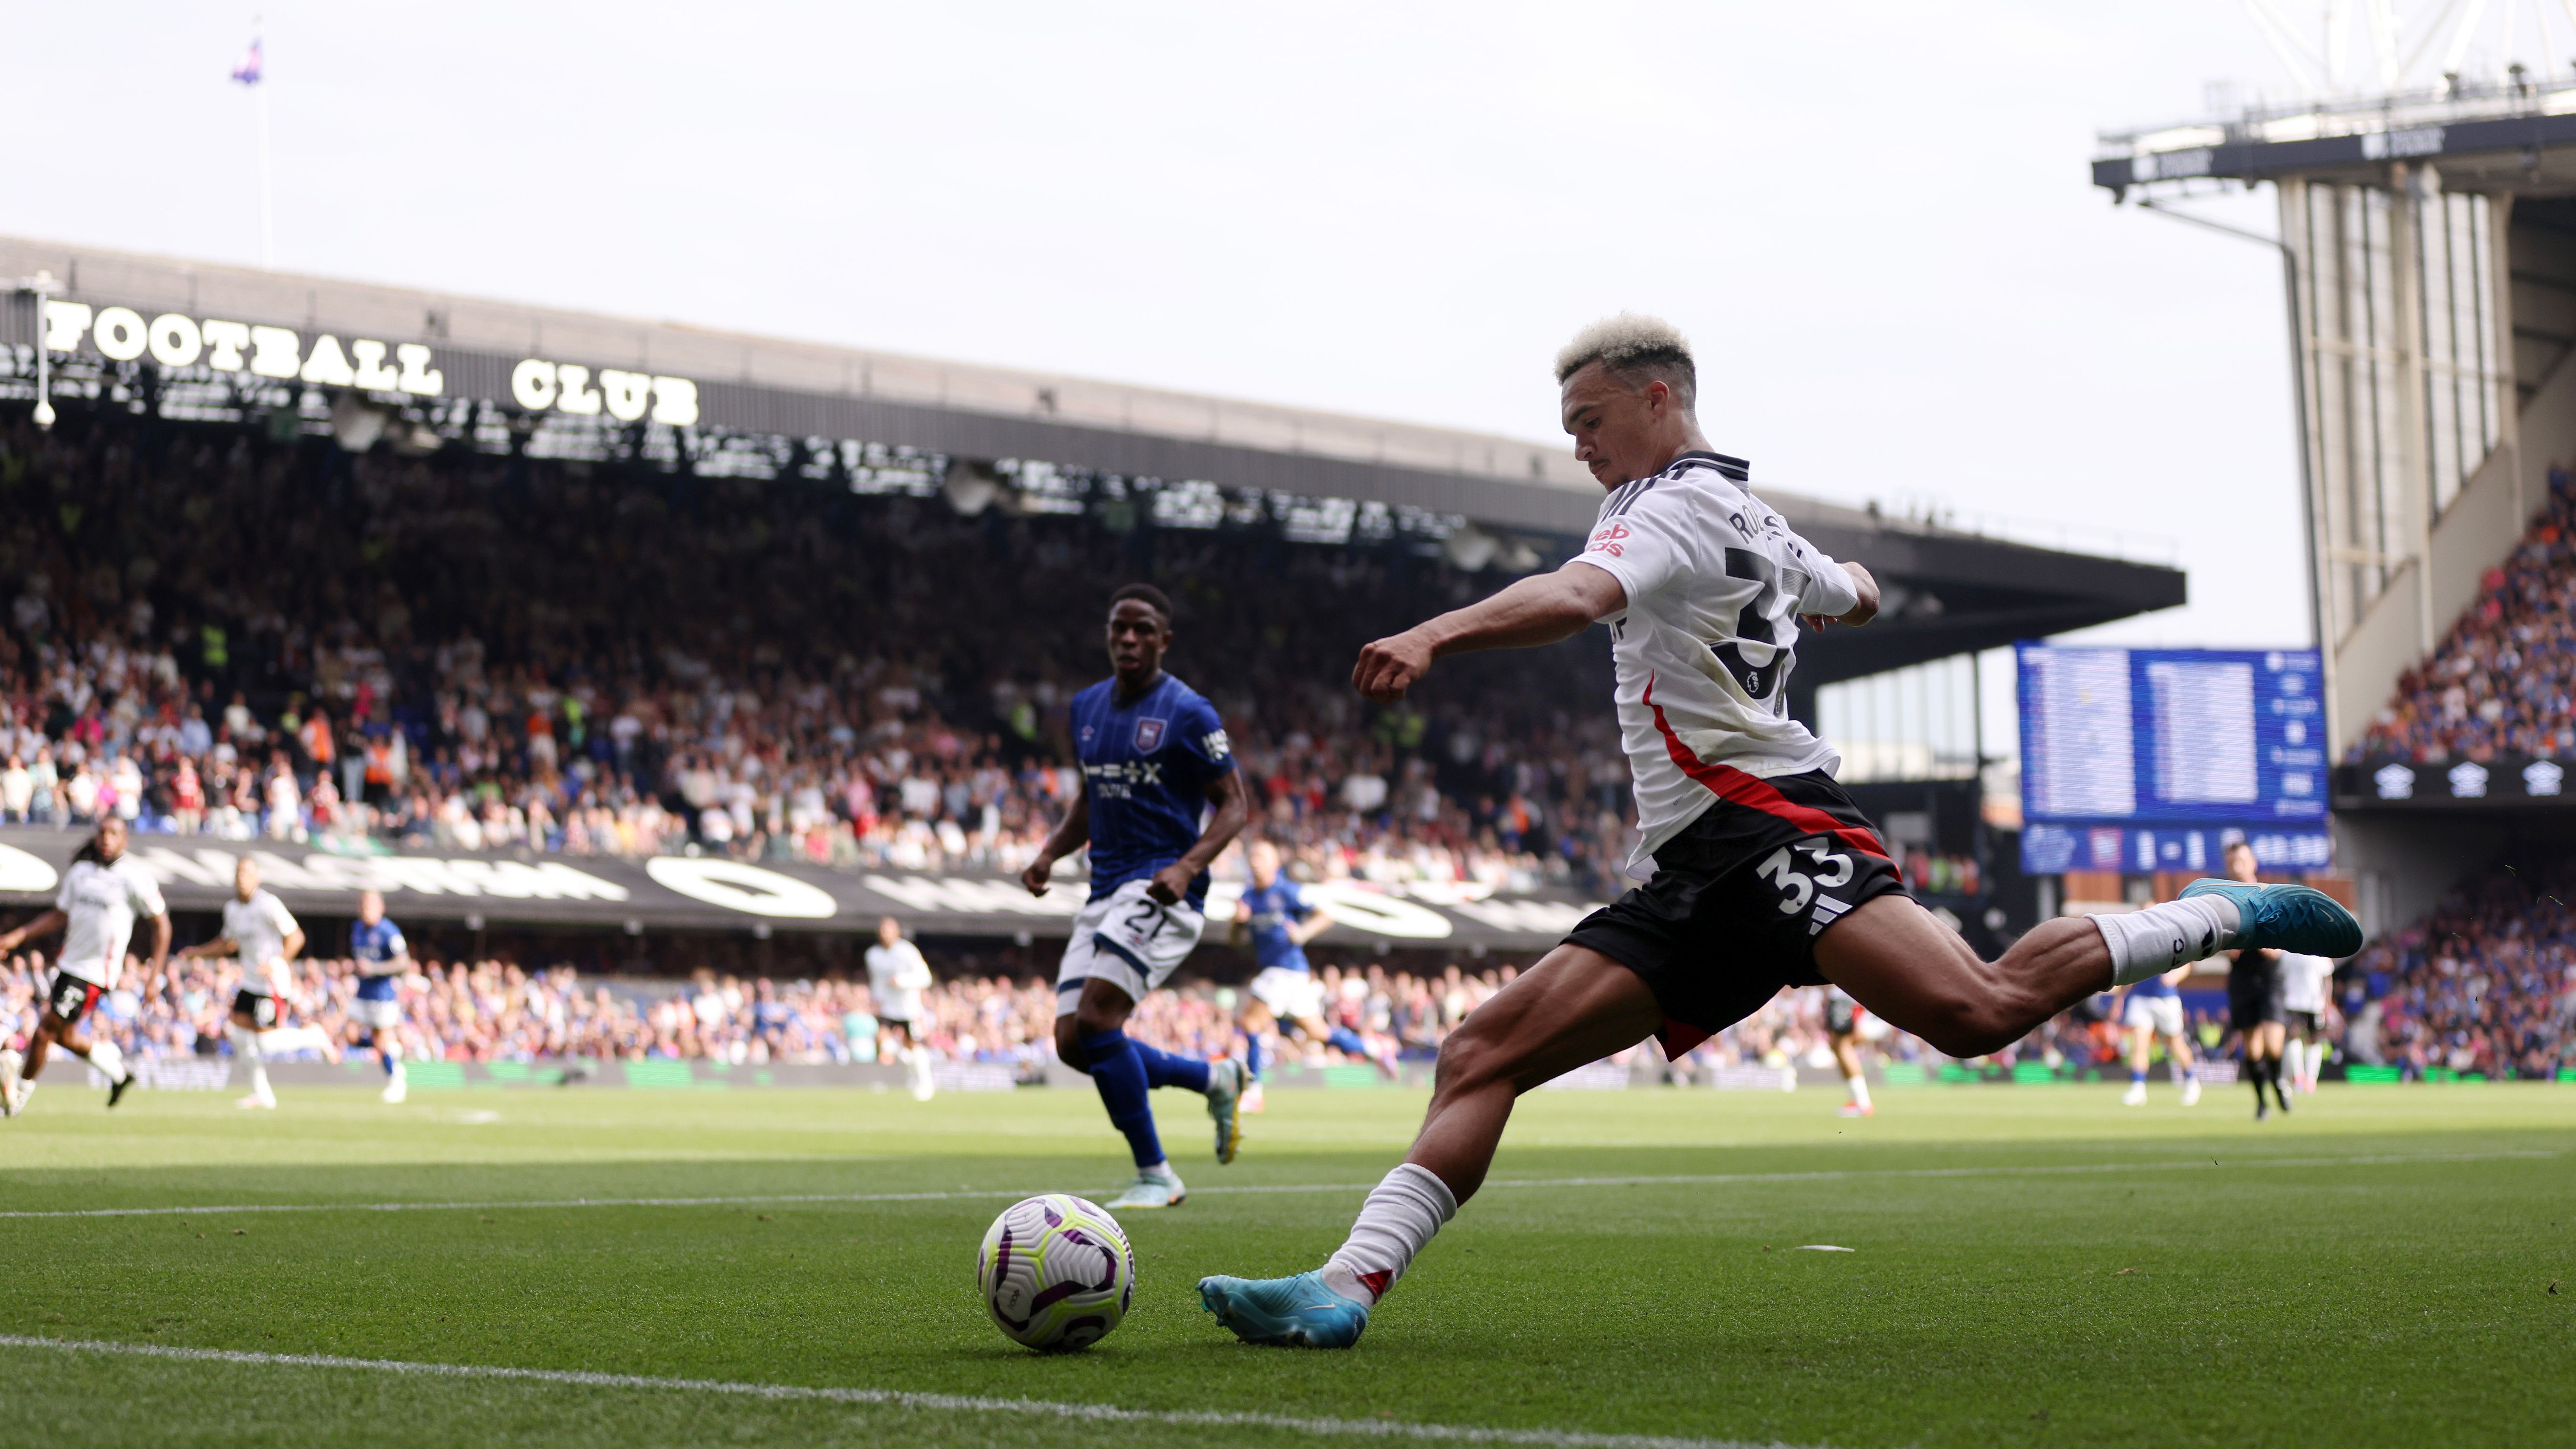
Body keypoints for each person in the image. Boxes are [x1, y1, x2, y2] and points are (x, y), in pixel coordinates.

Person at [1196, 314, 2361, 1347]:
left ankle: (2224, 910)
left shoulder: (1668, 509)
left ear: (1660, 398)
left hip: (1768, 822)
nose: (1577, 442)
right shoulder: (1733, 511)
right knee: (1478, 1051)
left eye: (1590, 417)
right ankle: (1344, 1285)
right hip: (1685, 867)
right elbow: (1839, 586)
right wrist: (1840, 579)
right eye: (1566, 425)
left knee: (1975, 1008)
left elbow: (1573, 597)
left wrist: (1436, 632)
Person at [1021, 583, 1253, 1210]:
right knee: (1074, 1043)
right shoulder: (1086, 707)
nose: (1128, 638)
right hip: (1104, 885)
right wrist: (1049, 853)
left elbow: (1236, 805)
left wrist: (1187, 866)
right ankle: (1214, 1078)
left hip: (1160, 884)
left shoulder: (1188, 711)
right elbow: (1089, 798)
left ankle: (1156, 1174)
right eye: (1119, 627)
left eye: (1142, 629)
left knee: (1099, 1021)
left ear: (1164, 640)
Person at [0, 817, 168, 1116]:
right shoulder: (80, 873)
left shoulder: (134, 877)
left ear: (125, 841)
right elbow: (59, 915)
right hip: (68, 966)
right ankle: (117, 1073)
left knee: (44, 1031)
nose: (107, 838)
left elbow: (162, 926)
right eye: (102, 832)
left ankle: (15, 1101)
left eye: (114, 834)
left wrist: (154, 976)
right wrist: (17, 937)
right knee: (64, 1035)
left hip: (95, 973)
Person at [1230, 838, 1390, 1108]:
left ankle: (1254, 1092)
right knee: (1319, 1033)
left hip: (1285, 970)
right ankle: (1374, 1049)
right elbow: (1235, 941)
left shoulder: (1287, 891)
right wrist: (1237, 923)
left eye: (1261, 856)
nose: (1254, 860)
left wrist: (1303, 932)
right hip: (1288, 975)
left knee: (1250, 1024)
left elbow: (1325, 915)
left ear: (1275, 864)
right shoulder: (1247, 898)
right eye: (1252, 855)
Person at [175, 856, 307, 1110]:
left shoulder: (268, 904)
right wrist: (198, 952)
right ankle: (263, 1094)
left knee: (265, 1041)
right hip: (250, 982)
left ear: (257, 878)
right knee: (238, 1035)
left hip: (271, 984)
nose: (242, 877)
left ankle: (314, 1037)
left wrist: (277, 962)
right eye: (239, 873)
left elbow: (296, 937)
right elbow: (228, 944)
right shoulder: (232, 909)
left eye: (247, 872)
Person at [2216, 840, 2292, 1119]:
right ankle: (2261, 1102)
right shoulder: (2224, 902)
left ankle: (2279, 1082)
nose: (2238, 866)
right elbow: (2223, 946)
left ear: (2253, 863)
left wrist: (2260, 942)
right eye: (2233, 862)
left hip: (2269, 977)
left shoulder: (2269, 896)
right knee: (2252, 1048)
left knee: (2273, 1043)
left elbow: (2278, 948)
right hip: (2242, 978)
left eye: (2242, 860)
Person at [346, 890, 412, 1103]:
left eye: (371, 906)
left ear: (381, 908)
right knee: (351, 1036)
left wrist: (374, 968)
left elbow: (403, 963)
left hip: (382, 996)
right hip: (362, 993)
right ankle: (392, 1051)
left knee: (381, 1042)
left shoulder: (389, 931)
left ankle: (396, 1081)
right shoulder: (356, 928)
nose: (367, 910)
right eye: (364, 906)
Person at [865, 916, 937, 1102]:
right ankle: (909, 1077)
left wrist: (902, 981)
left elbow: (925, 978)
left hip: (908, 1009)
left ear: (897, 932)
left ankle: (925, 1083)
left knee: (913, 1046)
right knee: (884, 1042)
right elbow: (877, 982)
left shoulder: (907, 952)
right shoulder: (873, 955)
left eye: (889, 930)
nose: (886, 934)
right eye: (883, 930)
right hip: (888, 1009)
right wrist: (876, 1000)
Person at [2115, 961, 2200, 1107]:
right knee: (2139, 1045)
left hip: (2166, 999)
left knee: (2176, 1044)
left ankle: (2192, 1081)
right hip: (2141, 998)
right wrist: (2119, 1000)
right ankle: (2138, 1089)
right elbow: (2132, 970)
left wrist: (2175, 977)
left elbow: (2187, 963)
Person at [2278, 951, 2334, 1094]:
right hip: (2293, 1002)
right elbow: (2281, 976)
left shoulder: (2320, 953)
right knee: (2293, 1036)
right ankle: (2298, 1075)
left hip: (2315, 1004)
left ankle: (2311, 1079)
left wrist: (2327, 1002)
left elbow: (2327, 978)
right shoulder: (2288, 952)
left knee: (2314, 1039)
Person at [1822, 985, 1872, 1117]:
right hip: (1843, 997)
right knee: (1837, 1045)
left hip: (1847, 998)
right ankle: (1857, 1100)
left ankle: (1863, 1103)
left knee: (1843, 1045)